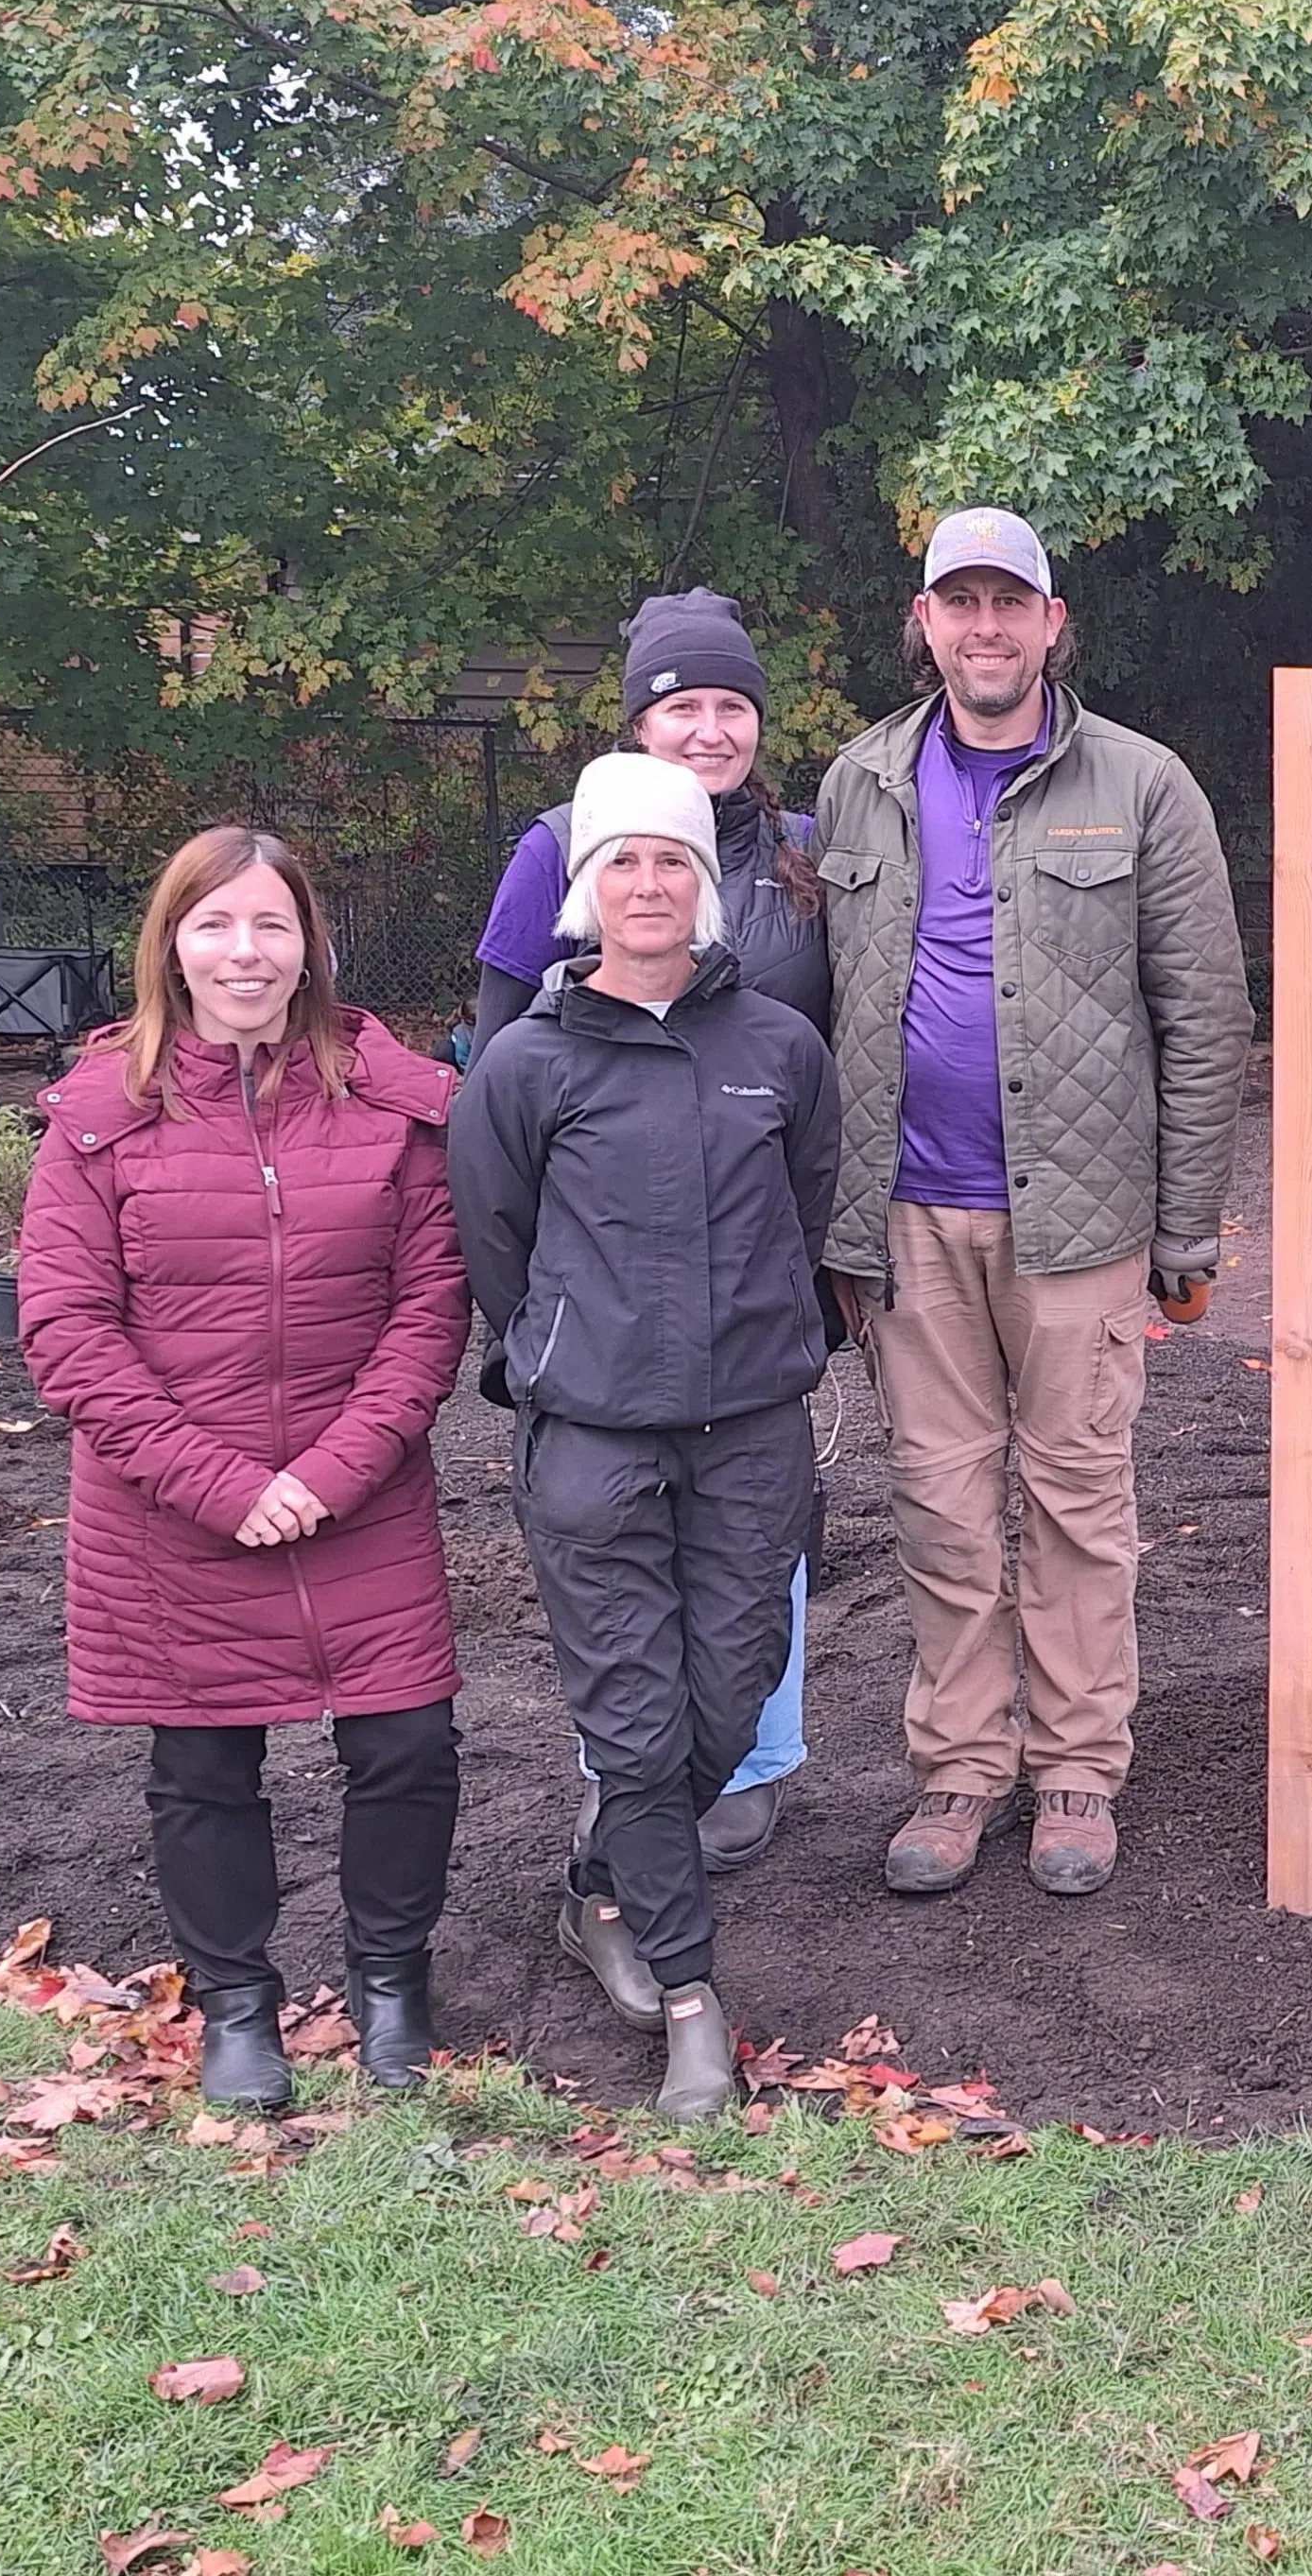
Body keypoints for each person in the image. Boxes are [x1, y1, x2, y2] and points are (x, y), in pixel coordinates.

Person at [813, 509, 1249, 1902]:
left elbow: (1203, 1016)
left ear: (1055, 623)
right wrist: (835, 1222)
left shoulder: (1143, 784)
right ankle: (959, 1768)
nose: (985, 628)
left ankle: (1076, 1766)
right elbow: (823, 1006)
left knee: (1075, 1501)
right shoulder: (857, 784)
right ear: (923, 621)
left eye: (1013, 603)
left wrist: (1187, 1231)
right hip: (906, 1219)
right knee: (938, 1504)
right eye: (961, 604)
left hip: (1084, 1222)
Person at [19, 831, 468, 2112]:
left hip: (358, 1493)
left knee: (408, 1745)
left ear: (310, 947)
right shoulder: (101, 1118)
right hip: (172, 1508)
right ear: (171, 944)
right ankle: (236, 2009)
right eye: (215, 927)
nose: (245, 954)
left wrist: (332, 1470)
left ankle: (393, 1989)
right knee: (205, 1766)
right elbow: (66, 1330)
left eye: (272, 927)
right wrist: (220, 1483)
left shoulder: (392, 1107)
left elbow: (430, 1307)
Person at [454, 752, 839, 2120]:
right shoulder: (525, 1065)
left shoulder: (781, 1054)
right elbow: (497, 1250)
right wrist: (577, 1349)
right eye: (621, 859)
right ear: (585, 889)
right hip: (593, 1441)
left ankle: (598, 1889)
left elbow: (806, 1207)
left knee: (726, 1699)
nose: (649, 881)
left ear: (706, 888)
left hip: (750, 1430)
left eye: (673, 859)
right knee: (632, 1716)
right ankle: (692, 1999)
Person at [473, 588, 824, 1870]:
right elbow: (505, 1052)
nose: (711, 729)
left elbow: (818, 1070)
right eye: (684, 706)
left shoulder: (803, 846)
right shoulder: (560, 842)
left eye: (733, 705)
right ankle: (624, 1776)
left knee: (756, 1517)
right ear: (638, 721)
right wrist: (545, 1304)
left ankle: (749, 1760)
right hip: (606, 1253)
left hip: (752, 1224)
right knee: (615, 1528)